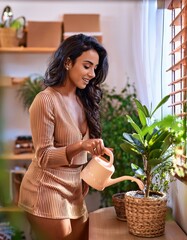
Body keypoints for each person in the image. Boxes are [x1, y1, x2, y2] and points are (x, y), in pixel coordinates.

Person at [18, 33, 109, 240]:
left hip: (74, 187)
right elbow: (44, 156)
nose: (92, 74)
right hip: (46, 188)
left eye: (95, 68)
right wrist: (81, 145)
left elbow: (82, 147)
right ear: (68, 62)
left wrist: (94, 152)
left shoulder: (83, 100)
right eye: (87, 66)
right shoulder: (45, 100)